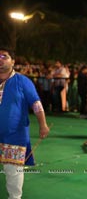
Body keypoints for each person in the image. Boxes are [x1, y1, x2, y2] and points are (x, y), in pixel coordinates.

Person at [0, 46, 50, 199]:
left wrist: (43, 124)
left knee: (13, 174)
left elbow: (36, 104)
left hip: (15, 136)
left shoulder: (22, 81)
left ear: (13, 61)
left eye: (4, 57)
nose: (0, 60)